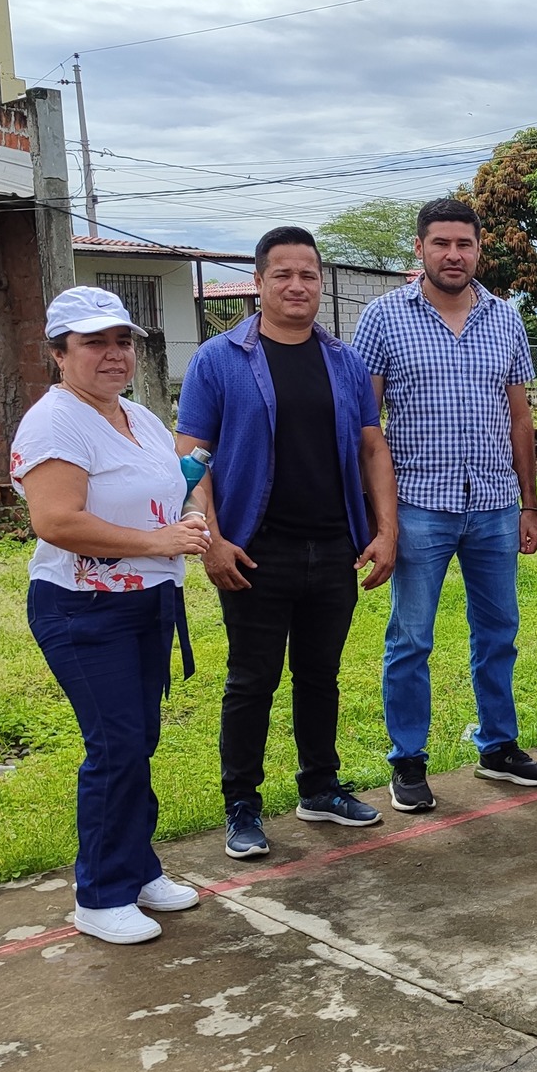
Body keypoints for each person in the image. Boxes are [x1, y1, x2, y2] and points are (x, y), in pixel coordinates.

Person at [175, 226, 398, 860]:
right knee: (252, 680)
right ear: (259, 281)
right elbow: (191, 455)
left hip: (332, 547)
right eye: (283, 275)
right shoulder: (219, 359)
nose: (297, 286)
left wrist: (386, 531)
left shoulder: (344, 361)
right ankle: (241, 805)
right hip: (254, 551)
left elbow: (371, 447)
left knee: (320, 676)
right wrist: (212, 540)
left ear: (320, 283)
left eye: (308, 275)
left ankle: (320, 787)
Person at [12, 287, 210, 945]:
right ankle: (99, 895)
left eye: (122, 341)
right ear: (59, 353)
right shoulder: (55, 423)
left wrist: (192, 517)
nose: (113, 354)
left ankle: (136, 867)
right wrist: (159, 541)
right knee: (116, 745)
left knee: (137, 742)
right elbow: (56, 520)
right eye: (93, 342)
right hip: (84, 606)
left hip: (147, 601)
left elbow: (177, 483)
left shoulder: (138, 417)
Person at [351, 198, 537, 812]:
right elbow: (365, 425)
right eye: (440, 243)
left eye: (464, 244)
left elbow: (519, 418)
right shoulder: (384, 318)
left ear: (478, 250)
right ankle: (408, 760)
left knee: (499, 633)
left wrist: (529, 505)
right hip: (418, 504)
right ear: (419, 248)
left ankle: (498, 747)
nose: (453, 254)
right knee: (411, 638)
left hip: (494, 504)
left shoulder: (505, 318)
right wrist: (377, 517)